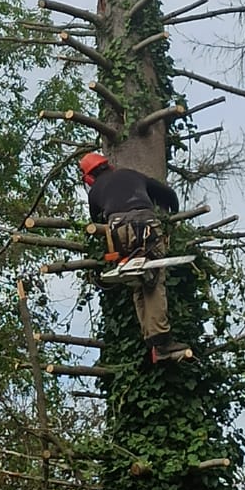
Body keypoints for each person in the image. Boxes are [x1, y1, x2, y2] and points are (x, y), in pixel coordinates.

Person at [78, 151, 189, 363]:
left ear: (89, 178)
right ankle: (162, 342)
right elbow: (168, 194)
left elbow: (96, 218)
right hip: (145, 226)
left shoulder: (94, 193)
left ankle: (151, 341)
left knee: (139, 280)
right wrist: (173, 218)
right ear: (107, 165)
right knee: (154, 280)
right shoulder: (130, 174)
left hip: (118, 232)